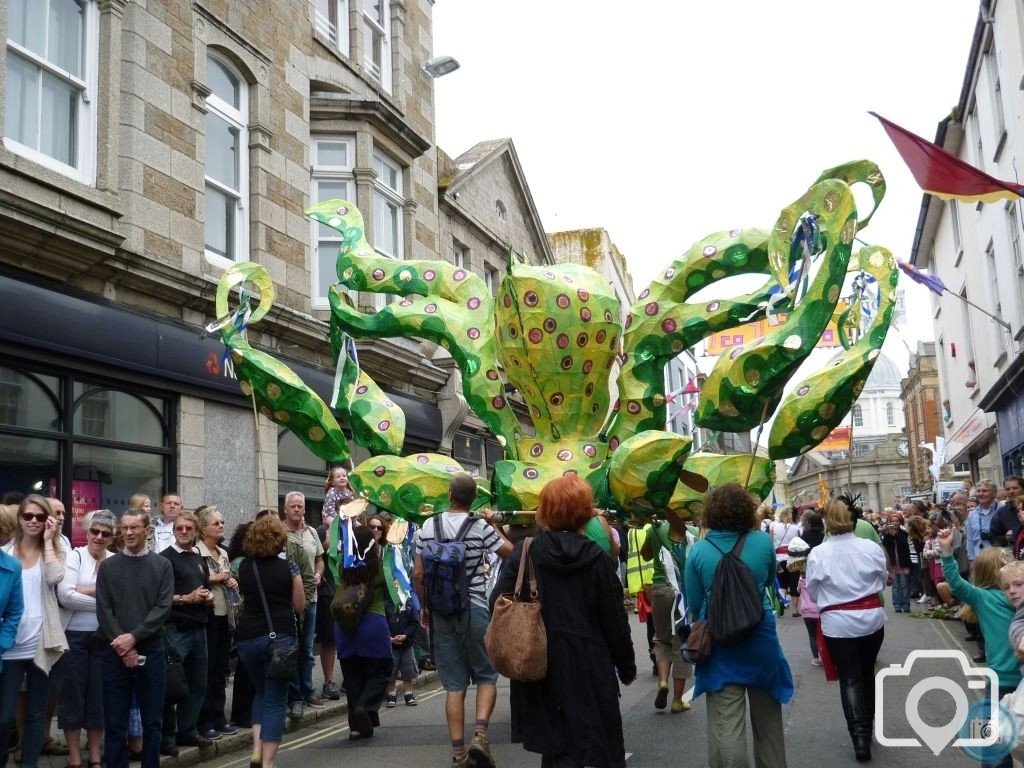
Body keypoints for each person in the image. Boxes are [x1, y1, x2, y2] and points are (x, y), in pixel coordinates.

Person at [491, 475, 636, 768]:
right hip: (590, 664)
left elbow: (498, 600)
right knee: (600, 745)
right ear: (585, 512)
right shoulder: (597, 557)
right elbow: (615, 620)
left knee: (556, 750)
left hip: (540, 662)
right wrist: (626, 666)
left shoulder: (526, 551)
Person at [684, 484, 792, 768]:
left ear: (710, 513)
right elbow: (769, 581)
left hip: (719, 640)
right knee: (768, 724)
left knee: (726, 722)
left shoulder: (699, 551)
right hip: (760, 636)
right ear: (747, 510)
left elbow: (695, 604)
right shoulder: (761, 542)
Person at [413, 473, 513, 768]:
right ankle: (480, 735)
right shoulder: (480, 526)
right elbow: (511, 553)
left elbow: (418, 574)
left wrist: (425, 606)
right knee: (485, 675)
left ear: (449, 494)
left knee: (454, 685)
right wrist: (493, 523)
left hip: (442, 610)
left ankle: (458, 754)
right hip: (476, 607)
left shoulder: (427, 526)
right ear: (473, 499)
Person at [805, 499, 888, 762]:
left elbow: (814, 591)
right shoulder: (870, 547)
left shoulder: (818, 553)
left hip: (838, 622)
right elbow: (882, 580)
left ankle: (859, 737)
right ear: (852, 519)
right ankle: (868, 727)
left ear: (828, 521)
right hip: (871, 618)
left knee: (850, 677)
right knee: (866, 673)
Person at [96, 508, 174, 768]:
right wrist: (125, 644)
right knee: (115, 722)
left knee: (152, 722)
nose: (128, 532)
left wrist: (133, 638)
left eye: (134, 528)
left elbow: (162, 609)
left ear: (147, 531)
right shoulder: (108, 566)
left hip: (151, 651)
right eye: (125, 528)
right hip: (115, 652)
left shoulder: (162, 565)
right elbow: (104, 610)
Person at [938, 530, 1018, 768]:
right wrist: (945, 551)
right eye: (1010, 562)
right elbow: (956, 583)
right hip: (1000, 680)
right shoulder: (984, 598)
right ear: (997, 571)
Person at [0, 495, 67, 768]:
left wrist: (50, 541)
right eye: (28, 516)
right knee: (4, 716)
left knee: (37, 714)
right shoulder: (5, 553)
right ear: (19, 519)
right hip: (9, 644)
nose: (34, 521)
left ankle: (29, 764)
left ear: (48, 520)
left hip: (41, 642)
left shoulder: (56, 550)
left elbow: (54, 578)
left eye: (40, 517)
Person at [235, 515, 305, 768]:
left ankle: (256, 750)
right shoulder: (289, 568)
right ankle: (268, 762)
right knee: (276, 700)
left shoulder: (244, 567)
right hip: (279, 638)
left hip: (247, 639)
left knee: (260, 694)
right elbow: (299, 605)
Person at [55, 510, 115, 768]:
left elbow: (120, 600)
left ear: (112, 538)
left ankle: (94, 756)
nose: (99, 537)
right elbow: (66, 596)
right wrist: (104, 600)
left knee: (98, 698)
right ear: (87, 532)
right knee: (72, 696)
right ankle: (74, 757)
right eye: (94, 531)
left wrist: (86, 591)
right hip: (73, 636)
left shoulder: (115, 560)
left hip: (104, 638)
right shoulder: (74, 556)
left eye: (105, 533)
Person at [160, 511, 213, 754]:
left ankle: (187, 731)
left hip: (199, 628)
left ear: (195, 532)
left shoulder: (198, 559)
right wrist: (187, 599)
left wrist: (207, 597)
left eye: (188, 528)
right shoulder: (164, 560)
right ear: (173, 530)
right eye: (179, 528)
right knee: (171, 686)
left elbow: (205, 588)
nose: (183, 532)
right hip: (174, 630)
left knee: (197, 684)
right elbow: (159, 598)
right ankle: (167, 737)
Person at [334, 525, 393, 740]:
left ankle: (357, 727)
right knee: (382, 670)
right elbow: (391, 594)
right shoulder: (380, 568)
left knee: (353, 678)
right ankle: (365, 707)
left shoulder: (343, 566)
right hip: (373, 625)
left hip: (344, 627)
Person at [640, 512, 693, 713]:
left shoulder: (655, 528)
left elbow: (646, 554)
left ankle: (663, 681)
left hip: (660, 589)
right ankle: (677, 700)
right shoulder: (692, 531)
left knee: (661, 639)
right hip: (681, 591)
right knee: (681, 642)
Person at [195, 507, 239, 740]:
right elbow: (192, 580)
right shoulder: (196, 553)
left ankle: (219, 716)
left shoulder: (223, 552)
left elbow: (228, 577)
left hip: (225, 617)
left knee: (221, 670)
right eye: (216, 523)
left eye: (222, 522)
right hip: (207, 617)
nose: (221, 526)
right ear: (203, 529)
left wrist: (231, 580)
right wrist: (213, 578)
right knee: (207, 671)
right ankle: (204, 720)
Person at [281, 492, 325, 719]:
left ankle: (309, 690)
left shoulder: (311, 533)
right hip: (286, 600)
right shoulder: (279, 533)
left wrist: (318, 574)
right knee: (292, 648)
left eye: (301, 506)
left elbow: (319, 559)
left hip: (312, 598)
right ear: (285, 509)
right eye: (293, 506)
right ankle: (294, 696)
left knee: (307, 649)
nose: (297, 509)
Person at [314, 521, 340, 701]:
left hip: (348, 592)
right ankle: (329, 681)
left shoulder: (354, 529)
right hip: (328, 593)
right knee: (329, 639)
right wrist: (331, 534)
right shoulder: (324, 530)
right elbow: (318, 555)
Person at [384, 596, 419, 708]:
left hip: (407, 644)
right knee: (391, 669)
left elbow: (414, 623)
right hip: (391, 644)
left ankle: (409, 693)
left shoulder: (409, 604)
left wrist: (406, 635)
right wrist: (389, 638)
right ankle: (391, 694)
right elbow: (383, 623)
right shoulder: (386, 604)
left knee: (408, 669)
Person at [881, 512, 912, 613]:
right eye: (892, 521)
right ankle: (897, 604)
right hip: (892, 563)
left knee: (904, 584)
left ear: (900, 522)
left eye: (896, 521)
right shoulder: (887, 534)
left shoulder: (904, 533)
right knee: (895, 586)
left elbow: (903, 543)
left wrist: (895, 535)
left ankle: (906, 604)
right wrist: (889, 534)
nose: (894, 523)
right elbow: (885, 544)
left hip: (903, 563)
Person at [769, 507, 799, 611]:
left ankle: (783, 601)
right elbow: (798, 543)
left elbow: (771, 542)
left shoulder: (774, 528)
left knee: (782, 583)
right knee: (794, 584)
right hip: (793, 559)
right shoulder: (795, 528)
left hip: (779, 560)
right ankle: (795, 609)